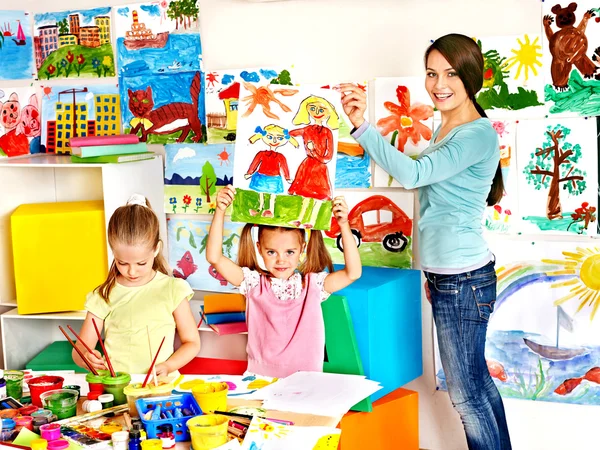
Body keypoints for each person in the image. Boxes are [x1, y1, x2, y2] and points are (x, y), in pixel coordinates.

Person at [340, 33, 511, 450]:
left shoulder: (476, 134)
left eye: (451, 73)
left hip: (461, 277)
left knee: (467, 396)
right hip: (452, 275)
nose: (439, 84)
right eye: (432, 73)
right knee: (478, 388)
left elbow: (414, 176)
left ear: (472, 76)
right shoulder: (446, 125)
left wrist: (363, 127)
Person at [206, 185, 361, 378]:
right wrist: (220, 210)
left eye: (290, 252)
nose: (281, 260)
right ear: (259, 248)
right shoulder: (253, 283)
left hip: (306, 381)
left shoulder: (314, 285)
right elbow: (214, 257)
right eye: (271, 252)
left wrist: (344, 225)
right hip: (260, 380)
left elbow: (353, 273)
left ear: (302, 248)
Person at [72, 194, 200, 377]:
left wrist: (169, 366)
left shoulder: (173, 289)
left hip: (161, 387)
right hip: (117, 388)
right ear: (113, 252)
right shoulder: (104, 294)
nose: (131, 272)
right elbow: (79, 350)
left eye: (141, 263)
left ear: (156, 249)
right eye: (122, 263)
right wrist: (86, 356)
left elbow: (192, 342)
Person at [288, 96, 339, 228]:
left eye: (322, 109)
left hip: (319, 168)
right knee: (305, 196)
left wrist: (314, 151)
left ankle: (312, 220)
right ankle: (300, 219)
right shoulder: (307, 129)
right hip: (308, 166)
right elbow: (289, 133)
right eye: (312, 108)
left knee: (318, 197)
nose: (317, 112)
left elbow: (328, 157)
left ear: (328, 113)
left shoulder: (327, 132)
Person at [245, 124, 298, 217]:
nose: (274, 141)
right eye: (270, 137)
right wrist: (249, 173)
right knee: (261, 194)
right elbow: (255, 163)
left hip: (274, 178)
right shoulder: (261, 154)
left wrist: (288, 178)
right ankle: (259, 208)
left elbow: (284, 167)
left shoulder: (280, 156)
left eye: (279, 138)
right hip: (261, 176)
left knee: (272, 196)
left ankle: (271, 211)